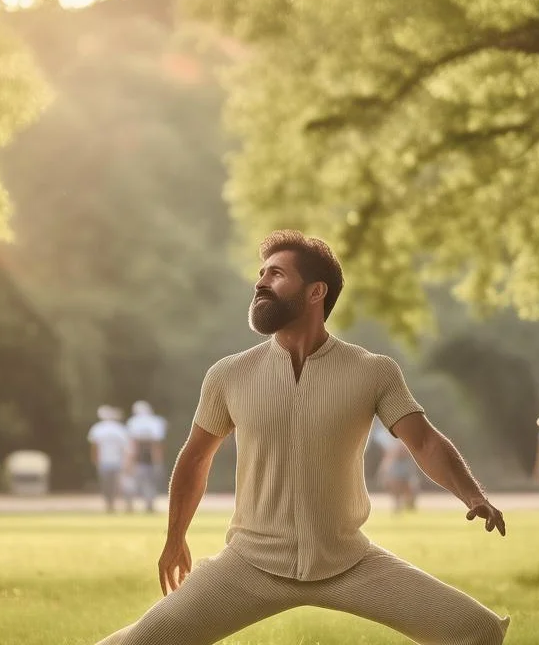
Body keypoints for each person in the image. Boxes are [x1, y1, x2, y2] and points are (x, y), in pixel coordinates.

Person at [96, 229, 509, 645]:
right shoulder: (229, 375)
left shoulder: (373, 371)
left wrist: (473, 495)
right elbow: (195, 458)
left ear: (316, 293)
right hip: (249, 564)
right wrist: (174, 538)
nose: (260, 283)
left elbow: (424, 442)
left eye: (276, 274)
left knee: (476, 631)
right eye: (261, 273)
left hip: (348, 561)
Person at [126, 400, 168, 513]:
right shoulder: (156, 422)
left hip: (139, 458)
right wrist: (158, 461)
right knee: (150, 483)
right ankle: (149, 504)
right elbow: (157, 445)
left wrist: (129, 461)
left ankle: (133, 505)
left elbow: (133, 445)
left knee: (139, 482)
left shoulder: (133, 422)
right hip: (150, 459)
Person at [87, 406, 131, 513]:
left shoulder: (98, 428)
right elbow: (126, 448)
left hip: (105, 462)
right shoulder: (120, 429)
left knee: (107, 484)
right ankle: (114, 504)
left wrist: (95, 460)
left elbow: (94, 447)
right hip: (116, 461)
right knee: (116, 485)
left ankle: (110, 504)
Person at [374, 419, 422, 513]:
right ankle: (397, 505)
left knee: (408, 484)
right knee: (392, 482)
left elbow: (397, 449)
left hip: (404, 458)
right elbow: (387, 451)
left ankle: (410, 502)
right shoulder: (379, 434)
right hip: (394, 461)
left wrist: (384, 468)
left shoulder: (396, 425)